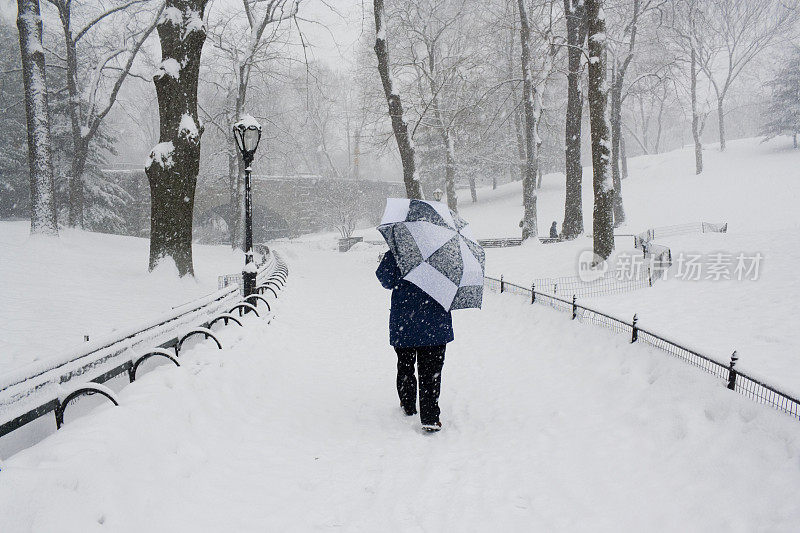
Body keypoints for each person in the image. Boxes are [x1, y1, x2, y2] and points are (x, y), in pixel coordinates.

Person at [376, 250, 453, 432]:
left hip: (405, 322)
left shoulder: (398, 251)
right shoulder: (443, 253)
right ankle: (430, 418)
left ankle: (408, 404)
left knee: (405, 366)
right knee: (431, 372)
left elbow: (385, 280)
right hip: (435, 323)